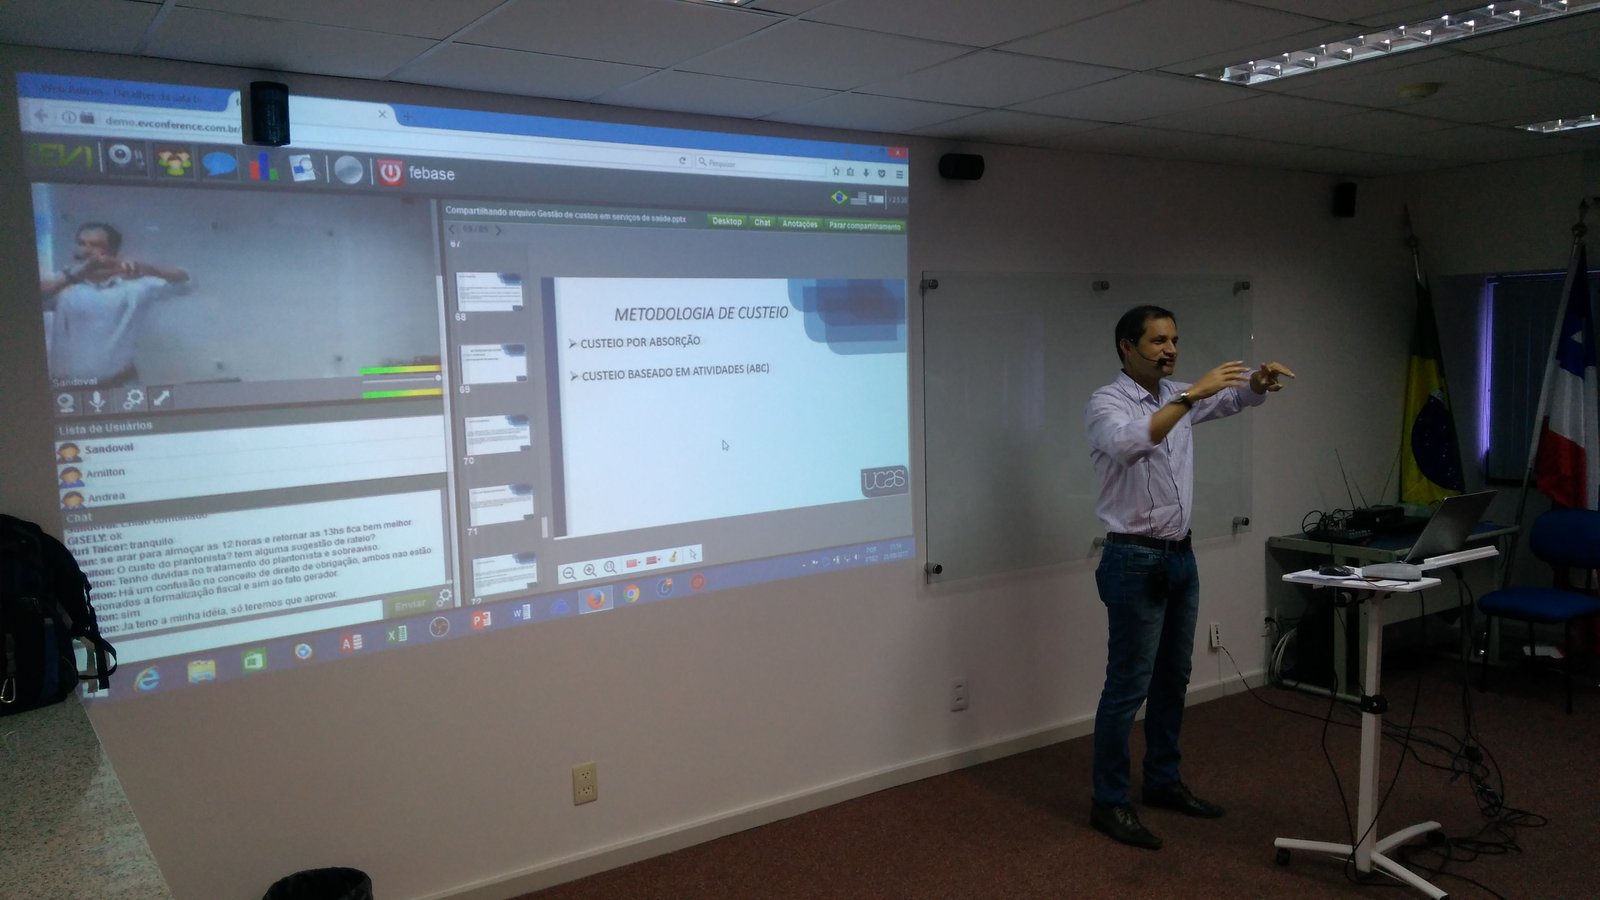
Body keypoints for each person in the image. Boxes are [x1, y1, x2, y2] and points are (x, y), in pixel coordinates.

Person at [1083, 304, 1294, 850]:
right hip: (1133, 559)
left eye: (1174, 339)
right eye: (1158, 341)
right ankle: (1108, 801)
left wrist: (1257, 385)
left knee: (1173, 678)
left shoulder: (1178, 395)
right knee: (1127, 687)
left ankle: (1162, 781)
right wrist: (1188, 397)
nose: (1171, 350)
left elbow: (1231, 399)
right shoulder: (1106, 403)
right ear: (1127, 347)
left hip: (1179, 557)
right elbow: (1131, 443)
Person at [40, 222, 189, 388]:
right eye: (81, 244)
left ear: (112, 251)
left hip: (121, 385)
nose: (86, 250)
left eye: (95, 245)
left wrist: (150, 269)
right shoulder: (60, 284)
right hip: (67, 389)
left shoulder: (135, 285)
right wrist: (73, 275)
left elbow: (187, 282)